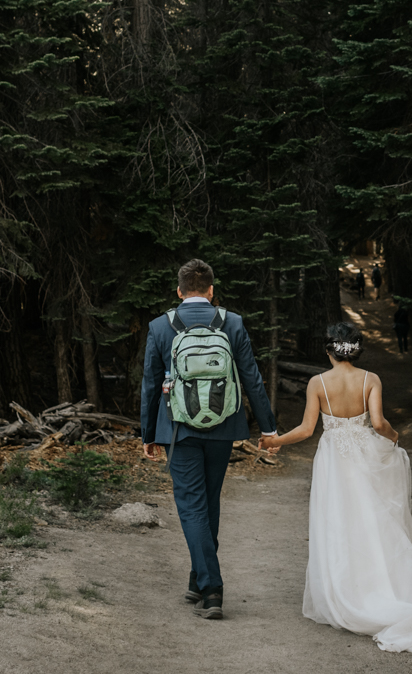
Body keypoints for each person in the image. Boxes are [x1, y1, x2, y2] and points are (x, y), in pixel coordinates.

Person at [259, 322, 412, 656]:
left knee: (339, 520)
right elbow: (377, 423)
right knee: (376, 520)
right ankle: (388, 587)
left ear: (328, 349)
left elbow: (305, 430)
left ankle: (348, 592)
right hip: (365, 454)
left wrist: (276, 442)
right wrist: (393, 437)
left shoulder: (318, 383)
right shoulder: (370, 379)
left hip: (334, 459)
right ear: (356, 349)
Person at [140, 259, 278, 620]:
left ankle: (212, 589)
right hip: (223, 426)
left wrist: (148, 434)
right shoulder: (231, 323)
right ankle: (197, 579)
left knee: (191, 505)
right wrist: (268, 427)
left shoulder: (159, 326)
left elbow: (151, 385)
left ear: (179, 291)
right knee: (208, 504)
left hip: (178, 428)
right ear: (212, 290)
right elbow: (251, 376)